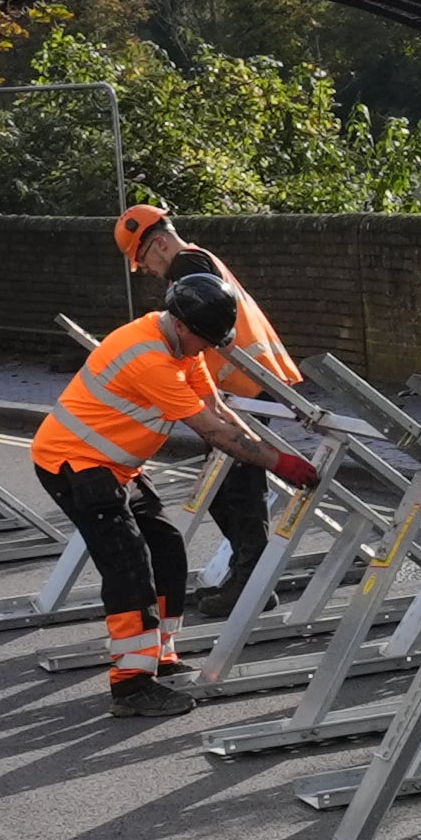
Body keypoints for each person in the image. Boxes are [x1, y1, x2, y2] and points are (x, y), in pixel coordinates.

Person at [34, 273, 318, 714]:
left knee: (167, 546)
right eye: (202, 340)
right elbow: (210, 431)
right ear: (182, 325)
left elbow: (217, 410)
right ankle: (131, 687)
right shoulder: (148, 357)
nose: (205, 349)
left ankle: (160, 655)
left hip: (115, 466)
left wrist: (275, 454)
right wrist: (279, 463)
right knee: (129, 566)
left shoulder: (182, 344)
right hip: (74, 466)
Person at [112, 199, 309, 610]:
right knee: (229, 491)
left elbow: (198, 324)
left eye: (143, 258)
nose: (145, 269)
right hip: (245, 384)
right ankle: (245, 578)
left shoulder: (188, 269)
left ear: (160, 244)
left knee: (235, 492)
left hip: (243, 386)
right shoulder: (199, 260)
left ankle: (251, 587)